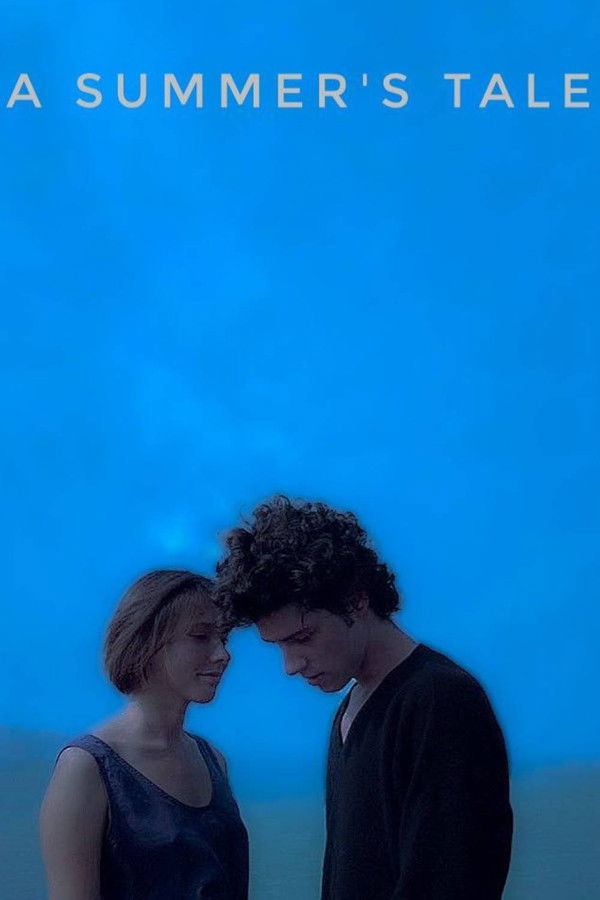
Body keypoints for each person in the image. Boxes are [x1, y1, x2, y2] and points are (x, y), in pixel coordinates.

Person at [215, 495, 513, 900]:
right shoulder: (349, 710)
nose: (291, 665)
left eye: (303, 637)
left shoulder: (440, 700)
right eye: (278, 645)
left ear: (356, 600)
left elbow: (452, 878)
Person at [40, 570, 249, 900]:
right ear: (146, 643)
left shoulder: (213, 761)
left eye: (223, 638)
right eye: (201, 636)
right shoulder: (85, 769)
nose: (223, 654)